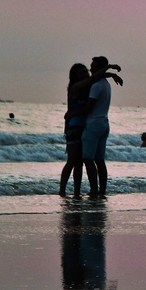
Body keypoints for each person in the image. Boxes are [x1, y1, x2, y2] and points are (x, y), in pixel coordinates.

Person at [60, 62, 122, 197]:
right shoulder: (75, 87)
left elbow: (94, 78)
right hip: (75, 126)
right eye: (80, 72)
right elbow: (93, 78)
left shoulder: (88, 86)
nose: (84, 73)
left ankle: (77, 192)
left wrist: (109, 74)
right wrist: (109, 70)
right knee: (72, 161)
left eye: (85, 71)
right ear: (74, 76)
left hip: (85, 125)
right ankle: (62, 191)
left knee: (80, 163)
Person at [79, 56, 121, 199]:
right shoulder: (106, 84)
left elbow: (89, 107)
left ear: (98, 68)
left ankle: (94, 190)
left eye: (93, 66)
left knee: (88, 158)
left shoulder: (96, 85)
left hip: (94, 124)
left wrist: (73, 112)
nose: (90, 69)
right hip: (104, 123)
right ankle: (102, 190)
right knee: (99, 160)